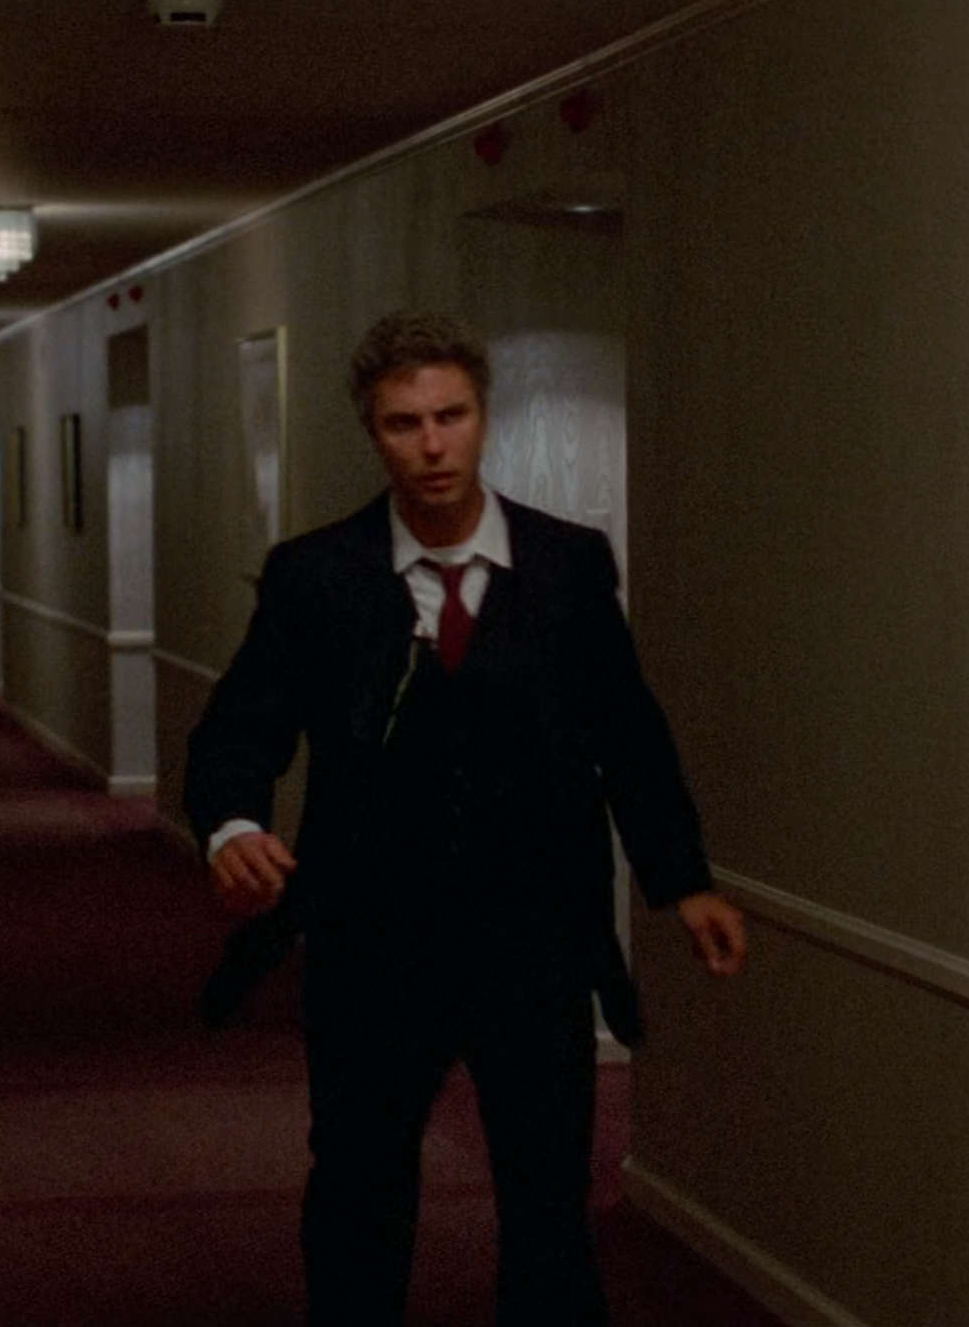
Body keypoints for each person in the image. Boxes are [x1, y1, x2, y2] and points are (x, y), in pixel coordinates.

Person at [184, 310, 746, 1326]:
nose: (432, 445)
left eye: (450, 417)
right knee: (359, 1180)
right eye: (404, 424)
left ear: (485, 418)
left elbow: (627, 731)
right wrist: (232, 826)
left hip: (533, 935)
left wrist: (684, 880)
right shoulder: (317, 576)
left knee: (547, 1188)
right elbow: (241, 728)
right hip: (372, 937)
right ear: (373, 433)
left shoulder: (568, 566)